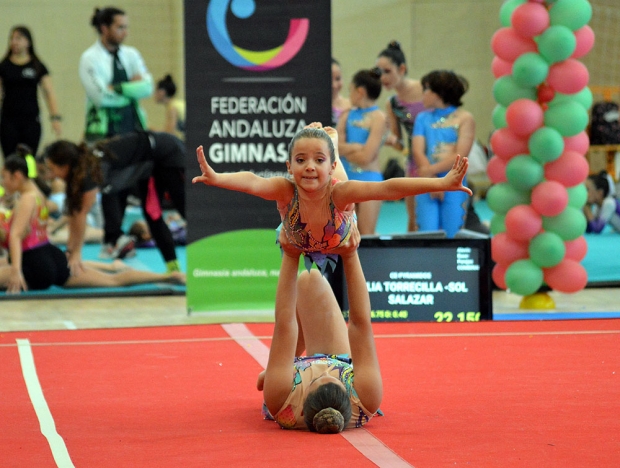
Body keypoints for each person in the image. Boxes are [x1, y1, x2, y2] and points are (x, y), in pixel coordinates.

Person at [193, 123, 471, 273]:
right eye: (300, 160)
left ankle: (332, 146)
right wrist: (218, 178)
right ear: (289, 167)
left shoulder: (340, 193)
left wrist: (443, 182)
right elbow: (253, 182)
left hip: (340, 227)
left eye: (317, 159)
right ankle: (330, 147)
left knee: (339, 186)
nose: (309, 166)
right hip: (302, 236)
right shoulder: (285, 189)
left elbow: (388, 188)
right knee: (301, 305)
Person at [0, 152, 184, 294]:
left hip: (34, 265)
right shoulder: (39, 195)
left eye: (4, 177)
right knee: (113, 281)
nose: (3, 182)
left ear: (16, 176)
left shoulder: (26, 199)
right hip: (51, 257)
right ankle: (168, 276)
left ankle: (163, 276)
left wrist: (16, 271)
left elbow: (16, 236)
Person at [256, 226, 381, 432]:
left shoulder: (282, 398)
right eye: (332, 376)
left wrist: (290, 254)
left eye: (315, 377)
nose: (323, 369)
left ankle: (278, 368)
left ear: (303, 410)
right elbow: (360, 324)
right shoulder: (365, 397)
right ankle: (278, 368)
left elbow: (285, 324)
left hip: (288, 379)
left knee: (305, 284)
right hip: (338, 359)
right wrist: (350, 254)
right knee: (310, 280)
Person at [43, 131, 186, 275]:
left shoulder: (89, 171)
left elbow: (81, 212)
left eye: (52, 168)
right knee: (152, 213)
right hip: (149, 166)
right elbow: (74, 212)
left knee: (185, 209)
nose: (50, 175)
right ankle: (173, 268)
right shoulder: (78, 173)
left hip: (168, 152)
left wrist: (76, 254)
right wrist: (70, 250)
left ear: (65, 166)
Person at [412, 70, 475, 238]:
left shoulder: (464, 118)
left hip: (455, 181)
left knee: (453, 233)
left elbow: (460, 155)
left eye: (426, 89)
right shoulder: (422, 118)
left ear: (439, 93)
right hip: (427, 182)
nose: (422, 94)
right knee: (427, 233)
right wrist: (433, 180)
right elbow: (418, 150)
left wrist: (434, 175)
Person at [79, 7, 153, 142]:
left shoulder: (132, 55)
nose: (125, 33)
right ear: (104, 28)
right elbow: (100, 98)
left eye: (126, 27)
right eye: (120, 28)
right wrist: (131, 91)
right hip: (103, 132)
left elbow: (147, 87)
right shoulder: (90, 58)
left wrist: (117, 88)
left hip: (133, 127)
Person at [376, 40, 425, 232]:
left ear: (402, 68)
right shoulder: (393, 103)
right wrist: (386, 139)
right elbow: (400, 143)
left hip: (438, 159)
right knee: (413, 223)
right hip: (413, 165)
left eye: (387, 71)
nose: (383, 78)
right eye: (379, 72)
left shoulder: (425, 89)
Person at [336, 69, 387, 235]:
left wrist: (348, 150)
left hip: (369, 179)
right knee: (345, 234)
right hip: (346, 179)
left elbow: (367, 157)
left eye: (350, 90)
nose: (348, 95)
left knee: (365, 234)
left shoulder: (379, 117)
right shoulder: (346, 115)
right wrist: (357, 147)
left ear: (360, 91)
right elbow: (335, 147)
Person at [0, 25, 62, 158]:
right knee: (11, 158)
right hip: (9, 122)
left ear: (28, 42)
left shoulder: (37, 66)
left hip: (30, 122)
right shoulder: (4, 66)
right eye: (12, 38)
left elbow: (49, 92)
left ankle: (31, 178)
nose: (14, 42)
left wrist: (55, 117)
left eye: (19, 38)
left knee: (29, 159)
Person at [154, 74, 185, 140]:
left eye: (156, 91)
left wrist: (153, 132)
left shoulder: (172, 108)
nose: (154, 94)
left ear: (162, 92)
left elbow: (170, 132)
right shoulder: (176, 103)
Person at [331, 58, 350, 127]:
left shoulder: (351, 106)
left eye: (338, 78)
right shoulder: (313, 108)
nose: (334, 85)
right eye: (329, 80)